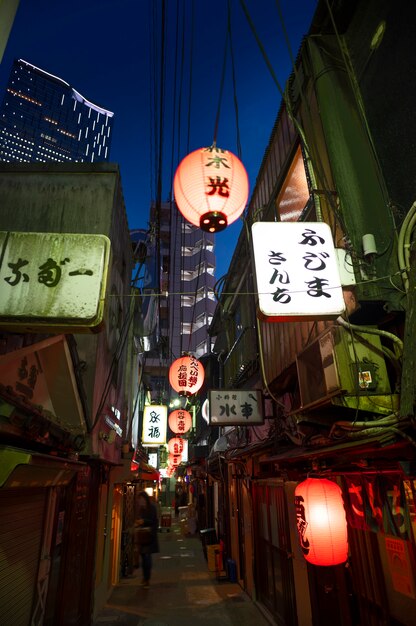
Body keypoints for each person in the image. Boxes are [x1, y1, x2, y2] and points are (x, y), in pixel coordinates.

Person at [135, 491, 159, 588]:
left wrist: (143, 521)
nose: (140, 501)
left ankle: (147, 579)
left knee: (147, 558)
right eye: (139, 500)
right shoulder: (141, 509)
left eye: (141, 499)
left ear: (145, 499)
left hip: (149, 536)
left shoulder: (151, 508)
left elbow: (154, 521)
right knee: (144, 557)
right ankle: (145, 578)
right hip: (142, 536)